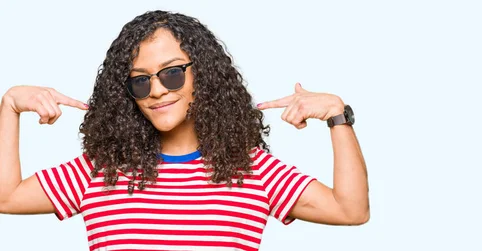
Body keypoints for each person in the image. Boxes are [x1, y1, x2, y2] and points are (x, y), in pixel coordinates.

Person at [0, 10, 369, 251]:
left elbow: (350, 210)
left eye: (172, 73)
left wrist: (337, 116)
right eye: (140, 82)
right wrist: (10, 106)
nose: (157, 89)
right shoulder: (101, 170)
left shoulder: (253, 170)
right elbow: (7, 198)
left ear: (201, 76)